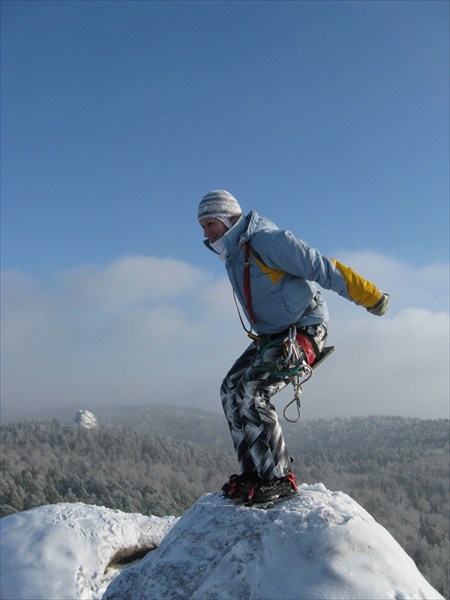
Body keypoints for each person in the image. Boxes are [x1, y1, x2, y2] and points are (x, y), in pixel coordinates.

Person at [198, 189, 389, 504]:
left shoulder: (267, 241)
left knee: (252, 390)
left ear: (228, 217)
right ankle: (253, 472)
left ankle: (278, 477)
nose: (205, 233)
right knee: (231, 388)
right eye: (202, 226)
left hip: (305, 328)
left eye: (210, 223)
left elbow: (321, 267)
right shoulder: (233, 253)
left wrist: (371, 297)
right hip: (273, 335)